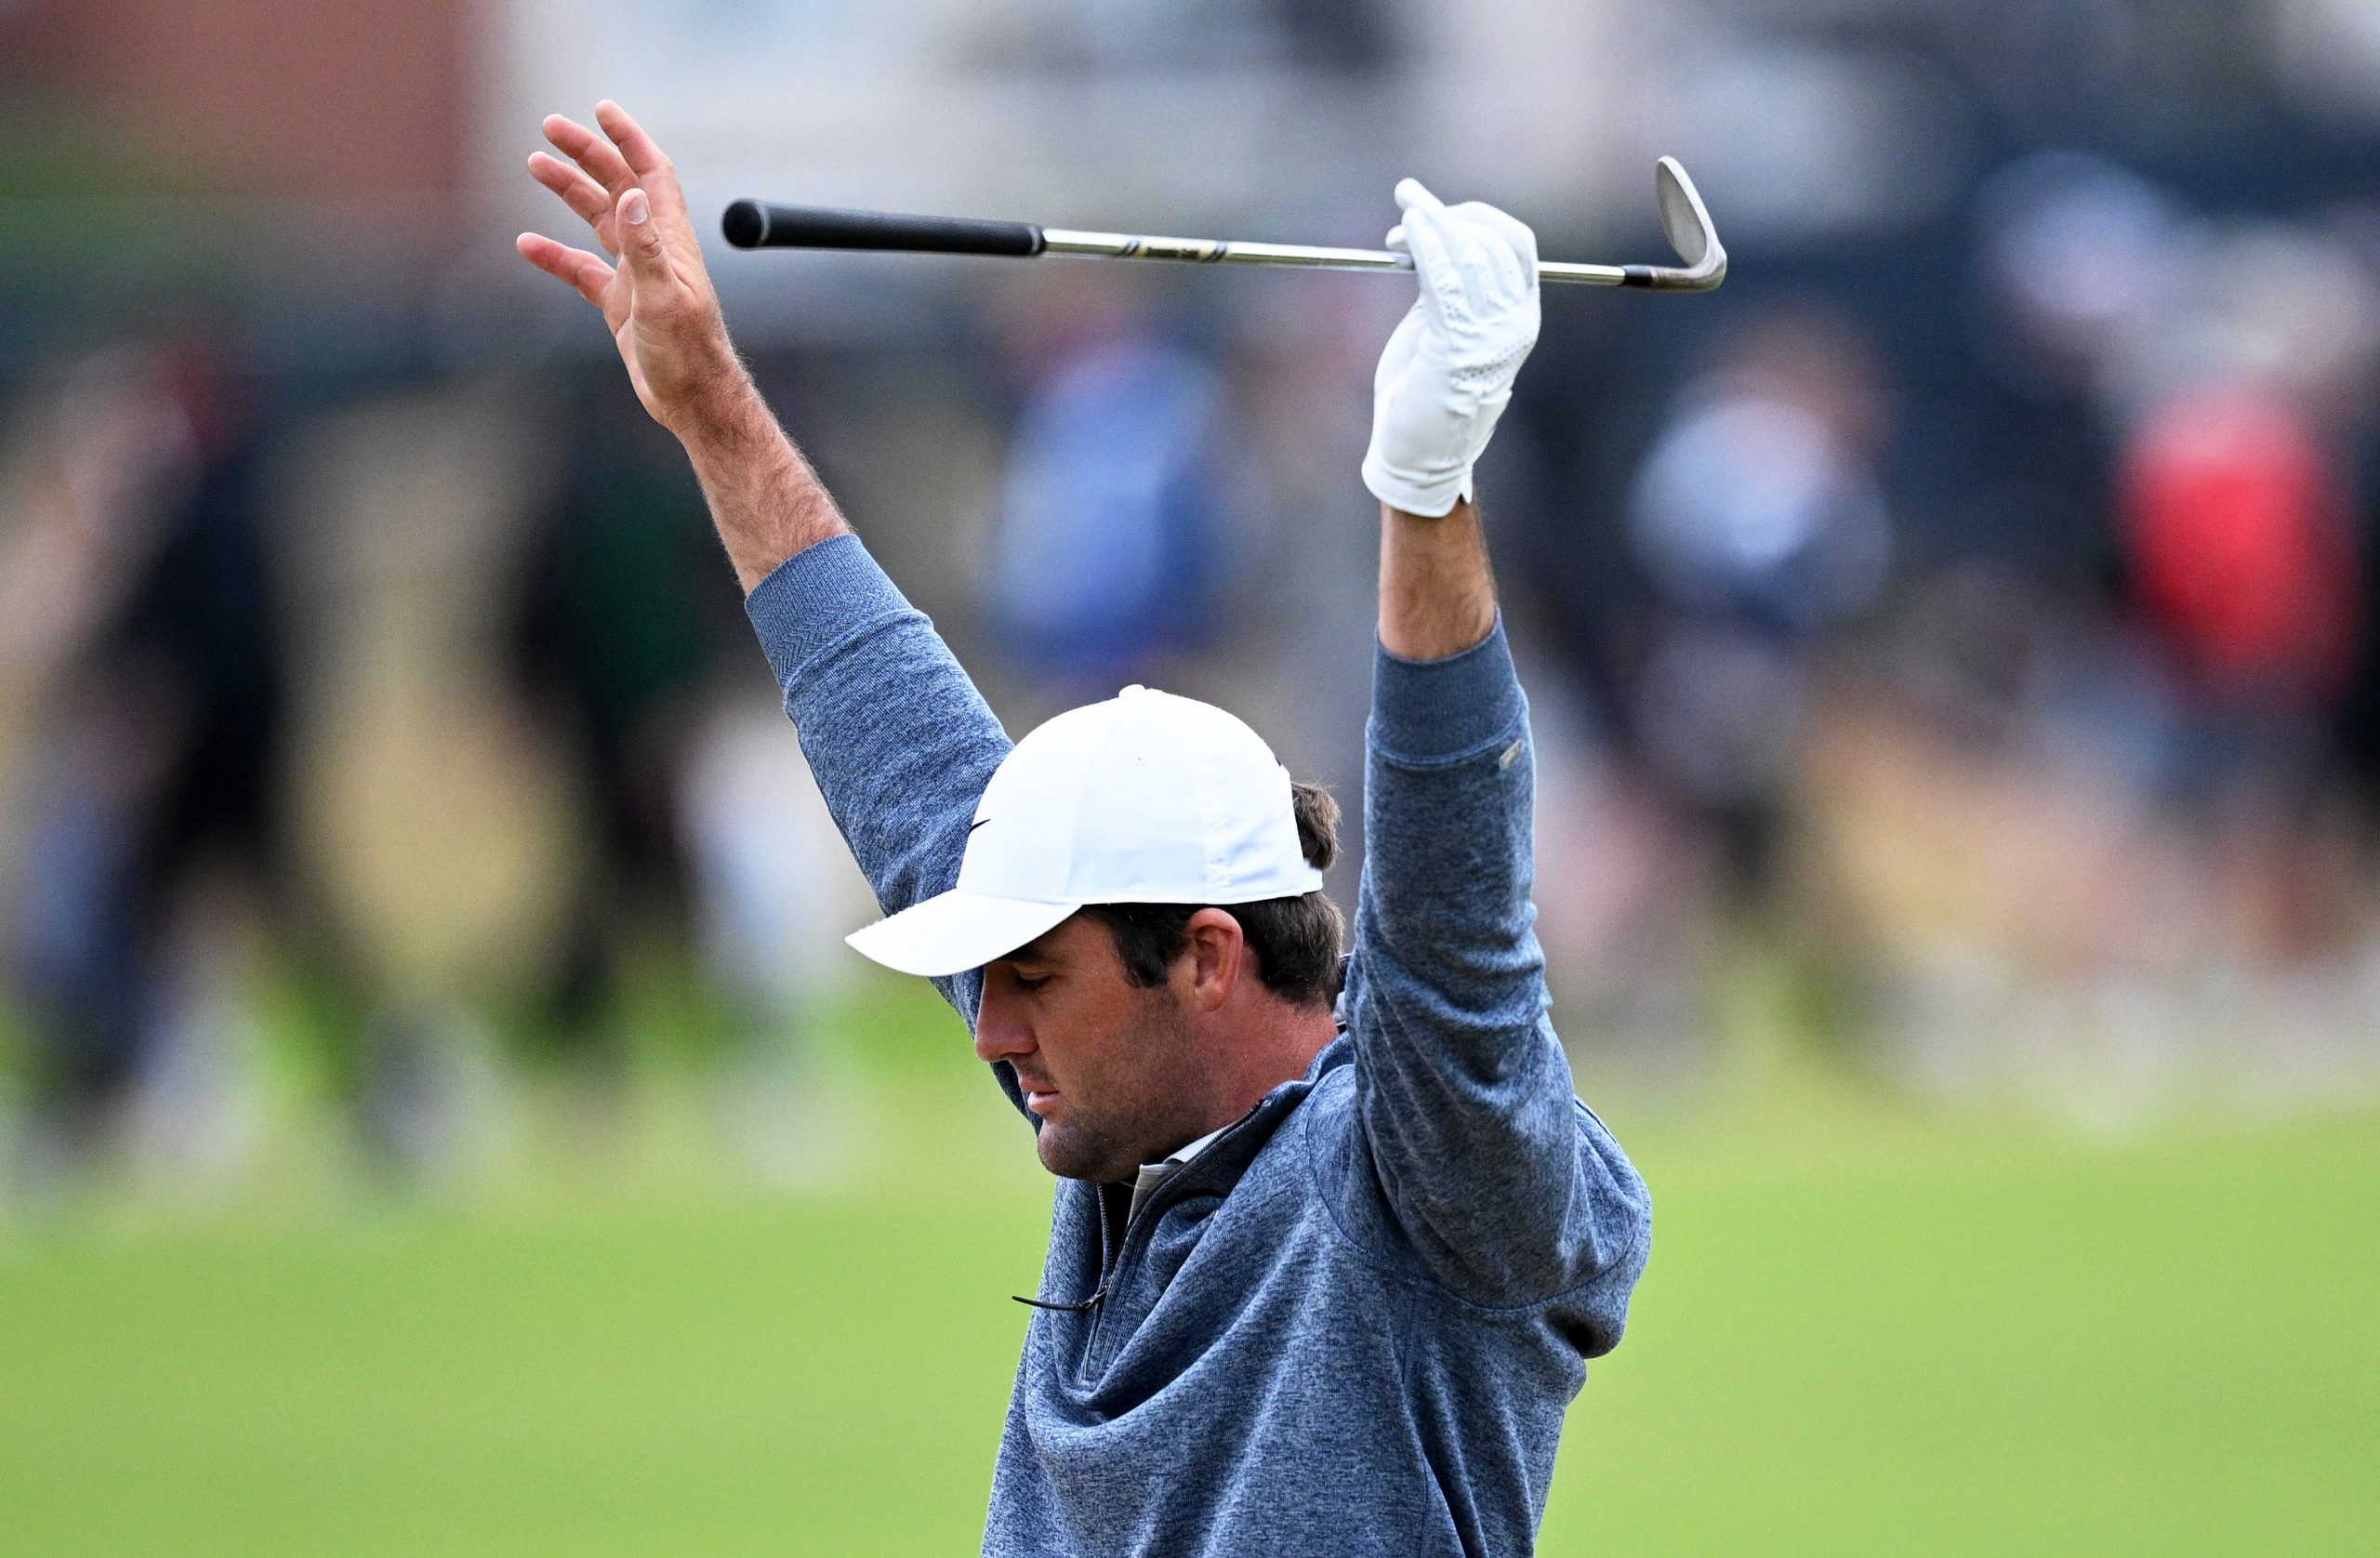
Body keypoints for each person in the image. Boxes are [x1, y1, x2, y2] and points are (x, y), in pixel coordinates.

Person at [518, 100, 1650, 1557]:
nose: (989, 1031)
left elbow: (1457, 919)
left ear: (1207, 958)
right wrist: (708, 400)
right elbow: (897, 743)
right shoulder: (1134, 1105)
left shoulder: (1429, 1181)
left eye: (1033, 981)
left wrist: (1424, 488)